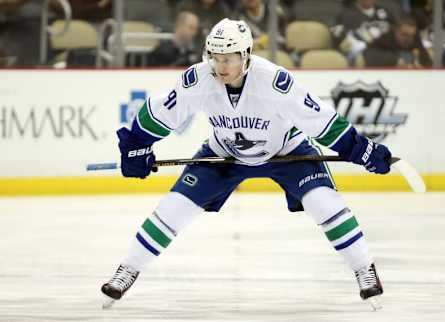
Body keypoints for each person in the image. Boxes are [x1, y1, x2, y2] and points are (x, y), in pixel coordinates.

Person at [101, 18, 391, 311]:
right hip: (224, 153)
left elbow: (320, 121)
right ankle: (128, 269)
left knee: (324, 203)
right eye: (215, 57)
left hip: (286, 151)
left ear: (246, 56)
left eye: (228, 59)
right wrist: (136, 147)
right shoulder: (200, 79)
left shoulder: (275, 81)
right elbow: (159, 114)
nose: (220, 66)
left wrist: (362, 149)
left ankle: (364, 268)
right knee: (174, 207)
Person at [363, 15, 432, 67]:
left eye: (411, 35)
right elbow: (369, 56)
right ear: (396, 31)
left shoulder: (415, 41)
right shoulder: (384, 40)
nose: (408, 39)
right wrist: (396, 61)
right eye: (404, 35)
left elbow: (427, 63)